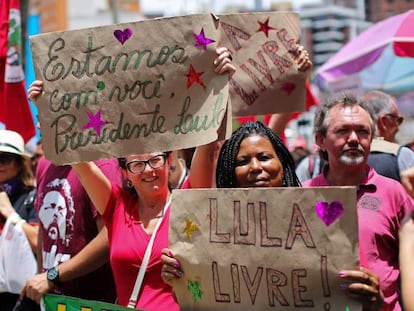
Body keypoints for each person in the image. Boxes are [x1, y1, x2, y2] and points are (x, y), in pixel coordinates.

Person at [161, 120, 383, 310]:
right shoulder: (211, 229)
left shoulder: (318, 218)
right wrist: (180, 276)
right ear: (230, 170)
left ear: (282, 163)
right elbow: (197, 298)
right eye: (243, 161)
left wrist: (370, 296)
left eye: (264, 157)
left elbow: (354, 294)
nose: (255, 167)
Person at [303, 93, 414, 311]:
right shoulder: (301, 195)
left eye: (362, 131)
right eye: (342, 130)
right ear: (320, 140)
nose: (354, 139)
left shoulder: (395, 193)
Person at [21, 86, 122, 304]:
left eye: (46, 119)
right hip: (50, 299)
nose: (39, 126)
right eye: (39, 118)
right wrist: (43, 277)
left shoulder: (102, 164)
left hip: (89, 301)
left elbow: (110, 236)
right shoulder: (45, 163)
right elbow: (43, 232)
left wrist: (53, 276)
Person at [0, 130, 38, 311]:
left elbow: (39, 242)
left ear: (20, 163)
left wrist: (11, 214)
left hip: (21, 297)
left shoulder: (34, 196)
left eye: (4, 158)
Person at [362, 90, 414, 182]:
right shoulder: (402, 155)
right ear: (384, 121)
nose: (398, 128)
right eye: (398, 120)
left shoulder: (342, 153)